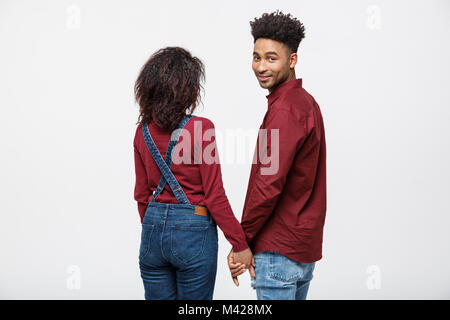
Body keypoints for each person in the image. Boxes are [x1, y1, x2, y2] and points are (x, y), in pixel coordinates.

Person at [133, 47, 253, 300]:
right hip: (193, 232)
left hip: (152, 234)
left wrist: (157, 228)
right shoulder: (201, 128)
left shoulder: (141, 133)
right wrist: (240, 243)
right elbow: (215, 196)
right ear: (187, 90)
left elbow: (142, 195)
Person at [227, 11, 327, 300]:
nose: (261, 66)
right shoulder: (306, 103)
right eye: (256, 57)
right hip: (301, 250)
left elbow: (268, 185)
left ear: (292, 60)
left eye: (271, 58)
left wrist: (241, 240)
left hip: (277, 252)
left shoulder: (285, 110)